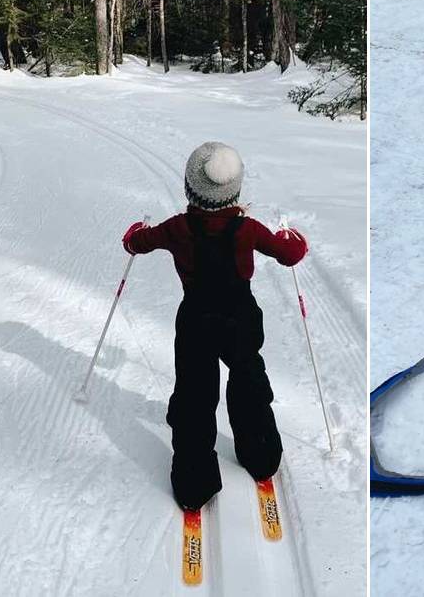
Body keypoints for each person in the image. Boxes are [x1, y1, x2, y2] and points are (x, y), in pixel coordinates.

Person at [121, 142, 308, 510]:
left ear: (189, 189)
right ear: (234, 193)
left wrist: (133, 235)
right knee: (249, 380)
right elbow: (291, 253)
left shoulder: (177, 228)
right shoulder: (248, 230)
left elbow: (138, 243)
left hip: (196, 322)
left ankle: (194, 482)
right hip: (239, 318)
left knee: (194, 395)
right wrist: (292, 238)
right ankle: (261, 455)